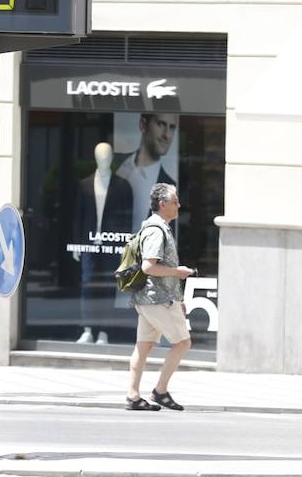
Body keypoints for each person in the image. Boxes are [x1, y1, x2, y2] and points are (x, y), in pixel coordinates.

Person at [125, 183, 195, 411]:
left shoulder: (154, 227)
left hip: (147, 299)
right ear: (162, 204)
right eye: (175, 201)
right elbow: (148, 267)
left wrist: (180, 298)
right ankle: (160, 391)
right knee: (183, 343)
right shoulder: (156, 230)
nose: (179, 205)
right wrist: (178, 272)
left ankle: (133, 396)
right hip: (158, 299)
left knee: (143, 347)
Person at [72, 142, 132, 345]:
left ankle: (104, 331)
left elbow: (127, 219)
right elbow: (78, 216)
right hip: (89, 244)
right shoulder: (85, 185)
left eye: (106, 157)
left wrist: (125, 245)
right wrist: (76, 244)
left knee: (108, 287)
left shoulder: (122, 186)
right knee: (88, 285)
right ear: (95, 158)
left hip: (111, 244)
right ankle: (88, 329)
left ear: (111, 158)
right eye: (100, 157)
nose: (103, 161)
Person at [115, 113, 178, 232]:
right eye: (161, 124)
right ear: (143, 124)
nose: (167, 135)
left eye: (172, 127)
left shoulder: (171, 189)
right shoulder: (115, 165)